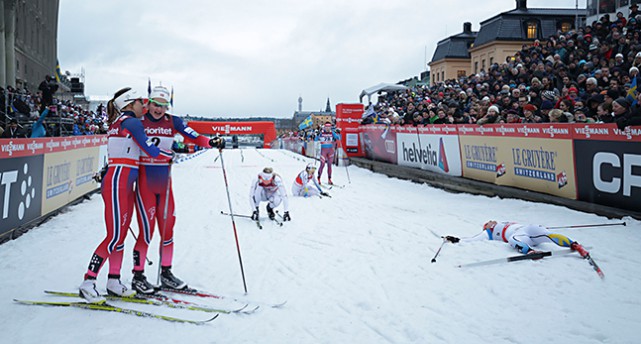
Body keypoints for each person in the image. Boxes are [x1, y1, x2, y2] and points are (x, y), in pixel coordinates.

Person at [79, 87, 173, 303]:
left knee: (120, 237)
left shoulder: (123, 122)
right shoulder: (131, 122)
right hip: (118, 183)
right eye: (142, 102)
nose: (146, 106)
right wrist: (172, 152)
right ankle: (88, 282)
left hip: (123, 183)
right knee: (113, 237)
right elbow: (150, 149)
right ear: (130, 104)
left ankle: (113, 281)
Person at [130, 86, 225, 294]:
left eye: (163, 106)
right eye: (155, 104)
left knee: (168, 229)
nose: (159, 109)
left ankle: (166, 273)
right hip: (145, 182)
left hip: (164, 183)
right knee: (146, 232)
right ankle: (138, 275)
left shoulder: (173, 121)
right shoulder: (139, 121)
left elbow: (195, 136)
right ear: (149, 103)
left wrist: (211, 141)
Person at [444, 220, 590, 257]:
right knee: (513, 240)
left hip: (528, 228)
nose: (490, 221)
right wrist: (457, 240)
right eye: (487, 223)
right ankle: (529, 251)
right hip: (518, 235)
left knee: (547, 234)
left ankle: (574, 245)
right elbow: (473, 239)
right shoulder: (489, 232)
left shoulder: (502, 221)